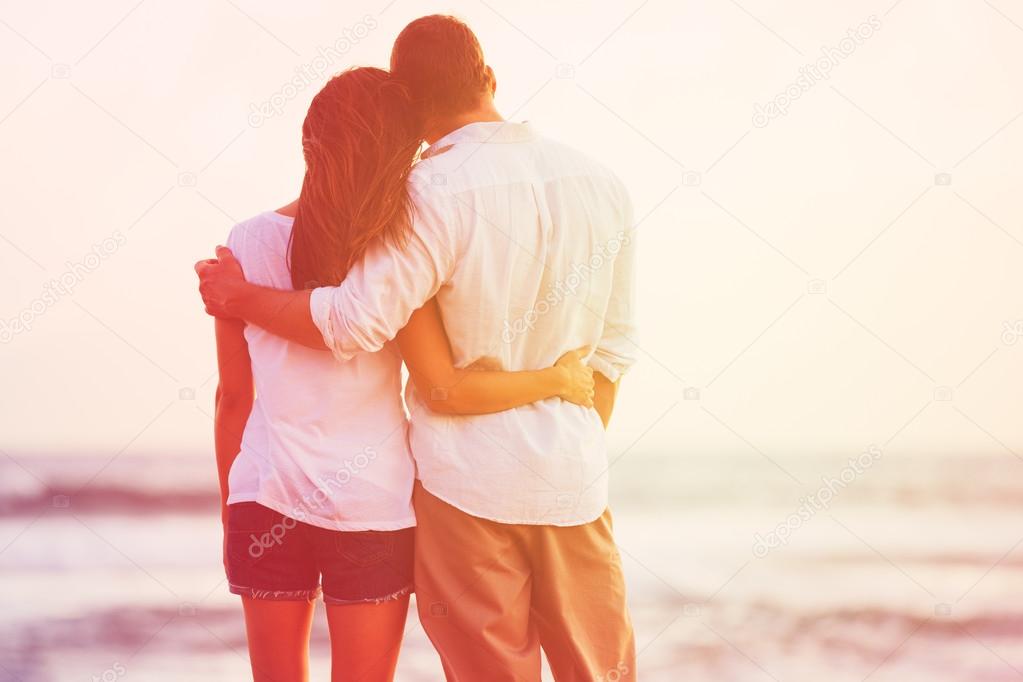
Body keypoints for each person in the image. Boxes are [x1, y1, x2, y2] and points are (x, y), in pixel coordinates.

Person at [206, 65, 597, 682]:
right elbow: (442, 373)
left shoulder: (247, 242)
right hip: (374, 506)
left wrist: (234, 504)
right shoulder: (396, 249)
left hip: (267, 498)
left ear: (309, 142)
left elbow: (233, 397)